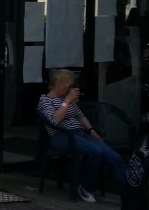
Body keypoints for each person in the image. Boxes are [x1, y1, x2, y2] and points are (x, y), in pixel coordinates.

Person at [38, 68, 126, 202]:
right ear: (58, 84)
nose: (72, 88)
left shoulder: (65, 98)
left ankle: (130, 191)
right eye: (70, 85)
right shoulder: (45, 101)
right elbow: (55, 121)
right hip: (62, 136)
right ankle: (86, 186)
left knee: (113, 156)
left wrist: (91, 130)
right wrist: (67, 101)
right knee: (95, 151)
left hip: (80, 133)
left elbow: (79, 116)